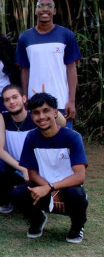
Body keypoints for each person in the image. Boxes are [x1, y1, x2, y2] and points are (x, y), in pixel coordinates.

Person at [12, 93, 88, 243]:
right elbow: (32, 173)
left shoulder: (72, 137)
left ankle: (77, 226)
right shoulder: (32, 137)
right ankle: (37, 219)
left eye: (46, 110)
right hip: (43, 184)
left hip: (68, 187)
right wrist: (47, 188)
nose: (41, 116)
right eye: (36, 113)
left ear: (55, 112)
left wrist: (52, 187)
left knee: (77, 195)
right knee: (17, 193)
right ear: (31, 116)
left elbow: (79, 176)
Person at [0, 84, 66, 214]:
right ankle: (5, 200)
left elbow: (62, 123)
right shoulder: (2, 117)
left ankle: (41, 198)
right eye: (7, 99)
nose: (11, 102)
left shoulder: (35, 115)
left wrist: (48, 105)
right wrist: (22, 168)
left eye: (14, 97)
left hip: (37, 166)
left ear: (24, 99)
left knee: (24, 194)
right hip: (15, 166)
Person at [15, 0, 81, 128]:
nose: (45, 9)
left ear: (54, 11)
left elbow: (71, 68)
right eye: (41, 6)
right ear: (35, 10)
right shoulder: (25, 38)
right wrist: (24, 98)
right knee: (38, 144)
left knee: (63, 144)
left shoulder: (66, 35)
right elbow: (24, 70)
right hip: (35, 102)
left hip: (61, 102)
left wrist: (71, 101)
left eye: (49, 6)